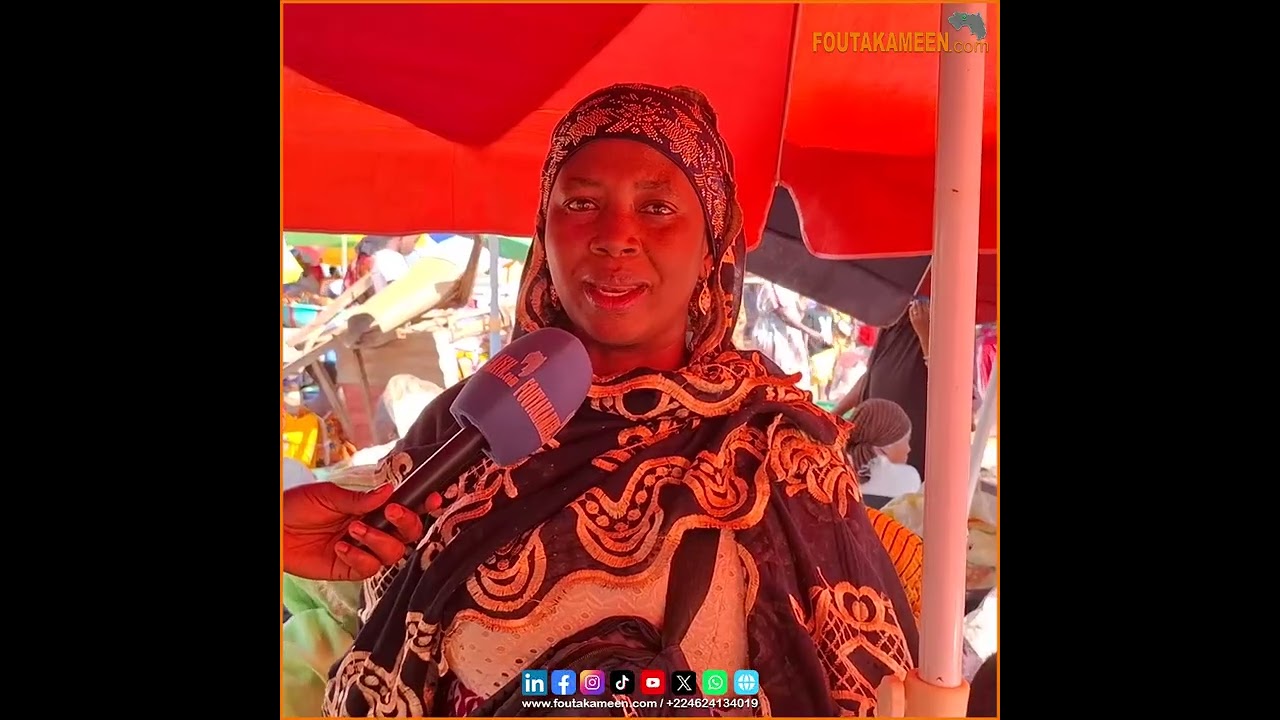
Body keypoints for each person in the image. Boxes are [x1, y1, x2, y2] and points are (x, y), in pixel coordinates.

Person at [284, 83, 921, 716]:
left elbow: (858, 690)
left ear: (712, 245)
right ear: (544, 231)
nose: (615, 237)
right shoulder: (455, 431)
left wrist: (613, 691)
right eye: (582, 203)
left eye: (658, 208)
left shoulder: (780, 451)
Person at [846, 399, 922, 510]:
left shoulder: (831, 468)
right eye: (907, 440)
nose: (909, 449)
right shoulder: (909, 477)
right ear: (886, 446)